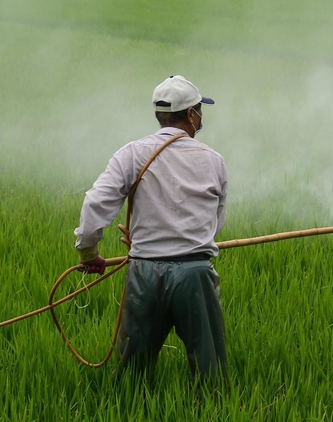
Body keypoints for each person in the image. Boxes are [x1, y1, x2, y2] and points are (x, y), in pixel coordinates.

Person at [73, 75, 229, 386]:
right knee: (210, 372)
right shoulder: (213, 160)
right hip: (194, 273)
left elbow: (95, 204)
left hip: (144, 272)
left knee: (133, 375)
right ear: (190, 114)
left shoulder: (131, 153)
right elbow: (216, 222)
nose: (200, 116)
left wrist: (89, 253)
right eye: (199, 109)